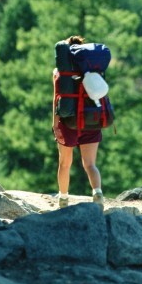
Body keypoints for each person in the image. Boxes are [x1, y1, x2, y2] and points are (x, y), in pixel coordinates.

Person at [52, 35, 104, 209]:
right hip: (91, 120)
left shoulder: (59, 72)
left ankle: (63, 199)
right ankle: (97, 193)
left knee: (65, 163)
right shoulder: (93, 69)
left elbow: (57, 98)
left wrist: (55, 123)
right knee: (90, 164)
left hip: (68, 122)